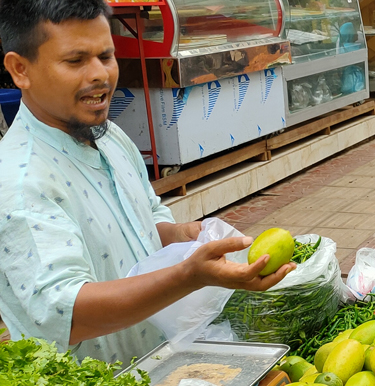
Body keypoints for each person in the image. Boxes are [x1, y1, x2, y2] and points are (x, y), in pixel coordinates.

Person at [0, 0, 295, 365]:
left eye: (106, 56)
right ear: (20, 70)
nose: (100, 75)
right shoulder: (18, 182)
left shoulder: (110, 137)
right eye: (75, 61)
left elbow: (146, 217)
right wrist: (188, 275)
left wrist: (182, 235)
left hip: (156, 361)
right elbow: (66, 313)